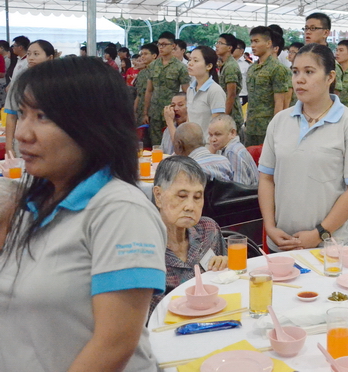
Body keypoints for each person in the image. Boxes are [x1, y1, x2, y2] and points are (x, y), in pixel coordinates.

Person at [0, 56, 166, 372]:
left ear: (93, 126)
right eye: (21, 114)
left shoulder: (120, 211)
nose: (22, 133)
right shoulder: (28, 203)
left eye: (42, 116)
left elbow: (114, 344)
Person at [258, 44, 348, 251]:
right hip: (282, 242)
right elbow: (266, 178)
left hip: (330, 247)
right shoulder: (280, 121)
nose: (299, 79)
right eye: (295, 72)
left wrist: (320, 233)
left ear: (330, 77)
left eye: (309, 72)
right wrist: (270, 226)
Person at [150, 156, 227, 313]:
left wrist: (226, 267)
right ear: (158, 196)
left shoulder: (208, 231)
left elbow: (229, 283)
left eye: (197, 197)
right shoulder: (145, 246)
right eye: (182, 196)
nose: (190, 206)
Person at [4, 39, 56, 155]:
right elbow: (11, 115)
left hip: (51, 142)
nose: (31, 58)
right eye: (29, 54)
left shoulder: (59, 82)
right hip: (25, 139)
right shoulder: (20, 81)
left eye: (36, 54)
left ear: (50, 57)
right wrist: (9, 146)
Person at [245, 26, 291, 146]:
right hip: (251, 126)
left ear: (268, 43)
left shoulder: (278, 69)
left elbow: (280, 102)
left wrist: (276, 129)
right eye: (251, 42)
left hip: (267, 127)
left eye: (256, 41)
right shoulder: (252, 68)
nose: (253, 45)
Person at [144, 32, 190, 145]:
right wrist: (145, 112)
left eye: (164, 44)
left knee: (171, 143)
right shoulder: (153, 66)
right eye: (159, 44)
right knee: (155, 144)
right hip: (155, 112)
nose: (161, 47)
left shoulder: (181, 67)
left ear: (173, 46)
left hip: (172, 112)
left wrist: (187, 113)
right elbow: (149, 90)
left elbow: (187, 92)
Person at [185, 46, 226, 136]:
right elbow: (189, 120)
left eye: (195, 61)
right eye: (190, 60)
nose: (190, 63)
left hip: (208, 142)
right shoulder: (190, 89)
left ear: (209, 66)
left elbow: (217, 125)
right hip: (193, 142)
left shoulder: (215, 91)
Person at [207, 114, 258, 186]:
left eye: (218, 134)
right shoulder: (228, 148)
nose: (213, 139)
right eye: (210, 135)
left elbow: (239, 187)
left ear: (232, 133)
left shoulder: (233, 152)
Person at [216, 33, 244, 136]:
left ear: (229, 48)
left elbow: (231, 94)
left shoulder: (230, 67)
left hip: (232, 115)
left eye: (220, 43)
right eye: (217, 43)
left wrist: (224, 118)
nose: (217, 46)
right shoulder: (225, 64)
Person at [133, 43, 158, 130]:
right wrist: (134, 111)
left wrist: (146, 113)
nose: (142, 57)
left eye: (146, 54)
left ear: (154, 56)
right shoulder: (142, 73)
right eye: (141, 54)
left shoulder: (158, 72)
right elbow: (139, 94)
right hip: (141, 111)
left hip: (154, 112)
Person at [232, 38, 250, 105]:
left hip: (242, 95)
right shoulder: (227, 63)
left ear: (241, 51)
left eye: (235, 47)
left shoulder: (247, 65)